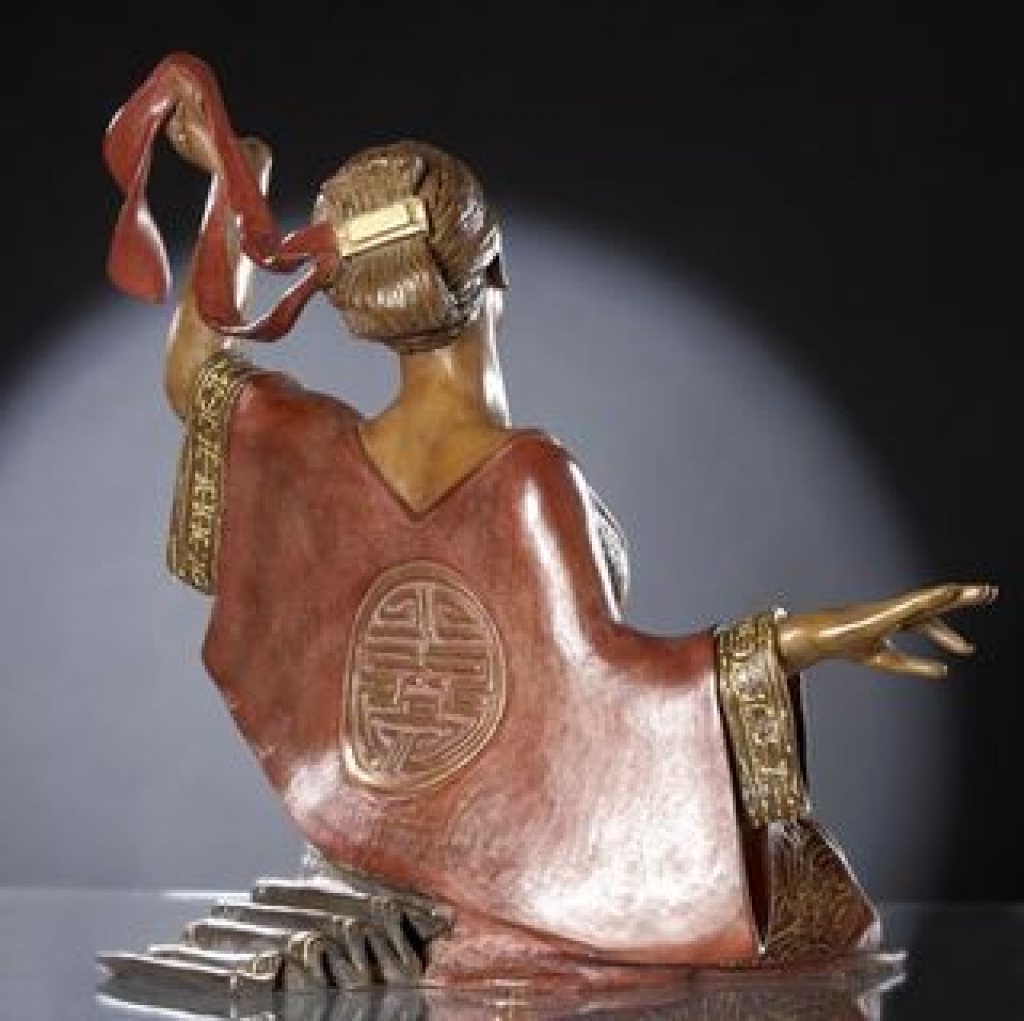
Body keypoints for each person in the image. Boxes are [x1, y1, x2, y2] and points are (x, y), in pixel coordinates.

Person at [103, 54, 995, 986]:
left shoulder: (313, 450)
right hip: (495, 884)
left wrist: (237, 179)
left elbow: (194, 370)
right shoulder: (528, 478)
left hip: (363, 846)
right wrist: (800, 639)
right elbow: (614, 686)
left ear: (354, 300)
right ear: (493, 268)